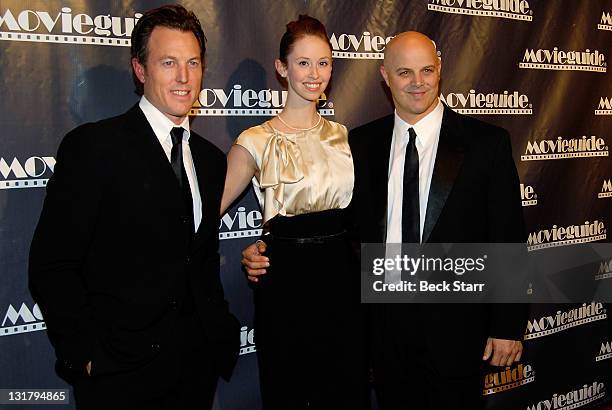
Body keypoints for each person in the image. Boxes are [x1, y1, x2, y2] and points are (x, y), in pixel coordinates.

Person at [243, 31, 527, 410]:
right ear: (385, 76)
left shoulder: (485, 143)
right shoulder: (360, 144)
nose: (418, 82)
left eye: (427, 70)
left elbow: (508, 236)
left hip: (457, 331)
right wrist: (267, 245)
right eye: (404, 72)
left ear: (440, 70)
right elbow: (334, 224)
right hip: (383, 331)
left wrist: (506, 326)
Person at [28, 5, 239, 410]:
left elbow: (200, 257)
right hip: (120, 375)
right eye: (168, 62)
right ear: (139, 70)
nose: (183, 77)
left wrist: (217, 330)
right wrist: (87, 355)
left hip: (196, 368)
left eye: (193, 62)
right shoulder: (94, 148)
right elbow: (52, 264)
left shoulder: (212, 160)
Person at [221, 15, 368, 410]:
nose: (314, 73)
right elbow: (201, 215)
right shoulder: (255, 141)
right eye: (303, 62)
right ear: (282, 68)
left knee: (345, 388)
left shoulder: (345, 137)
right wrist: (250, 250)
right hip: (285, 281)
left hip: (342, 277)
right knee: (289, 388)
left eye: (323, 62)